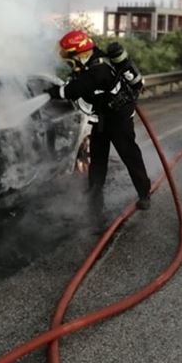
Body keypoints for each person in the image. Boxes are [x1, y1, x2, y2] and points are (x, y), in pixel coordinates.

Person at [46, 30, 152, 227]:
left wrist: (51, 93)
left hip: (119, 120)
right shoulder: (91, 62)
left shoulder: (99, 70)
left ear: (79, 54)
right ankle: (94, 209)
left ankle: (144, 193)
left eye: (70, 57)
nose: (69, 62)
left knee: (130, 156)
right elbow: (79, 85)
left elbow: (73, 90)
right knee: (97, 163)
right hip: (102, 119)